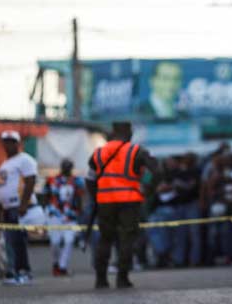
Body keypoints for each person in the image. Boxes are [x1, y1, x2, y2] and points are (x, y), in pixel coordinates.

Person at [88, 121, 157, 289]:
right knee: (127, 238)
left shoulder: (98, 153)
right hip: (129, 200)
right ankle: (122, 278)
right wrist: (149, 190)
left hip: (105, 201)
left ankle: (101, 280)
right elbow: (158, 170)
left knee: (105, 239)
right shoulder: (136, 151)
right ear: (127, 132)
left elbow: (90, 178)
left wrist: (96, 196)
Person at [0, 131, 39, 285]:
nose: (8, 145)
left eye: (11, 141)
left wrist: (23, 204)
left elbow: (30, 181)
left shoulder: (25, 160)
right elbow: (2, 188)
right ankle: (14, 272)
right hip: (8, 208)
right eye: (5, 142)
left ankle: (24, 272)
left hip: (18, 206)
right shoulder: (6, 163)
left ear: (18, 143)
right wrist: (0, 209)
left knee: (18, 241)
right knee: (10, 242)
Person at [43, 158, 85, 276]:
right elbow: (45, 194)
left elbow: (80, 197)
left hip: (71, 216)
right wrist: (46, 211)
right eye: (65, 166)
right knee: (55, 241)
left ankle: (63, 266)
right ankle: (56, 263)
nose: (67, 168)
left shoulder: (77, 181)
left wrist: (80, 212)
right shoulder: (51, 180)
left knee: (69, 240)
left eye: (69, 166)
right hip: (55, 214)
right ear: (61, 167)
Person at [171, 153, 201, 267]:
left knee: (194, 234)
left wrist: (182, 185)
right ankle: (179, 260)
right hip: (180, 205)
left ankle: (194, 260)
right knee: (180, 234)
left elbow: (192, 186)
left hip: (192, 204)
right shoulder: (178, 172)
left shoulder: (196, 171)